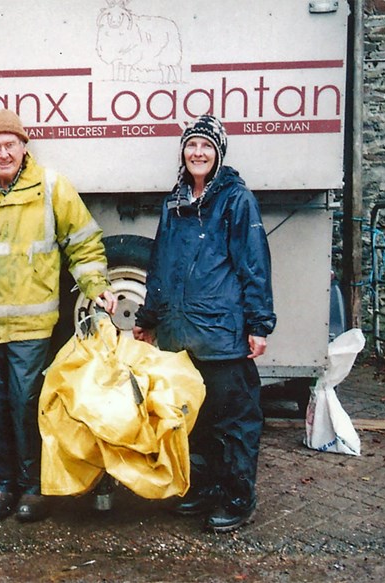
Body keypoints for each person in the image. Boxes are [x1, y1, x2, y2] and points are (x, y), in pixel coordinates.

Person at [0, 109, 117, 523]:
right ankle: (4, 484)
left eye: (10, 144)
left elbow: (83, 243)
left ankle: (33, 487)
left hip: (30, 329)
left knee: (27, 406)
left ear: (23, 147)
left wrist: (95, 285)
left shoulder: (52, 188)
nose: (3, 153)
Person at [132, 114, 276, 533]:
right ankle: (204, 488)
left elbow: (254, 264)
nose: (198, 152)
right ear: (183, 152)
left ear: (218, 154)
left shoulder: (236, 200)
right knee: (193, 418)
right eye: (192, 145)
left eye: (206, 146)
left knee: (233, 420)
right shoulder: (174, 201)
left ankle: (237, 496)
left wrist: (259, 324)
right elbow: (159, 264)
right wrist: (148, 319)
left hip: (222, 335)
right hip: (180, 335)